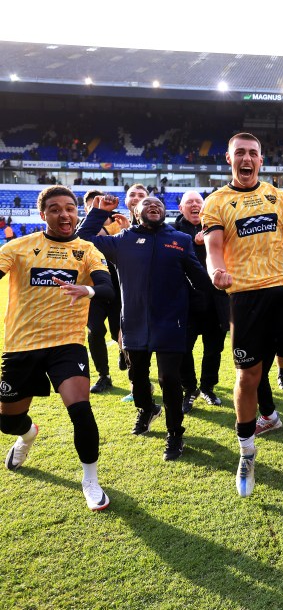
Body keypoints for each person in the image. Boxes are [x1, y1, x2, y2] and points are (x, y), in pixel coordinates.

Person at [202, 132, 283, 497]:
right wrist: (216, 270)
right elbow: (214, 246)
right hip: (245, 295)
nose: (247, 159)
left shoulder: (279, 195)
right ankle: (246, 451)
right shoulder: (216, 201)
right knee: (249, 375)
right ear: (229, 159)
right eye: (240, 153)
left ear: (261, 160)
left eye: (253, 154)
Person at [0, 185, 114, 510]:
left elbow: (106, 288)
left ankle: (90, 480)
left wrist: (87, 290)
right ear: (43, 214)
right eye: (55, 209)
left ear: (77, 212)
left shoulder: (87, 249)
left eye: (70, 208)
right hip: (22, 346)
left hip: (67, 343)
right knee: (8, 422)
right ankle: (28, 434)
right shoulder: (20, 247)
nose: (64, 214)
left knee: (81, 410)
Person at [79, 195, 211, 461]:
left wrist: (201, 306)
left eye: (159, 205)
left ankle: (175, 434)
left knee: (169, 380)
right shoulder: (122, 241)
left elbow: (201, 280)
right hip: (134, 322)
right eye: (147, 204)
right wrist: (98, 211)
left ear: (164, 213)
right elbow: (83, 238)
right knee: (137, 377)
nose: (154, 206)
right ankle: (147, 408)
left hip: (170, 324)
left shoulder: (180, 240)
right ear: (136, 212)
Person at [174, 190, 228, 413]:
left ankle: (208, 387)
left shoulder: (218, 227)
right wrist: (193, 242)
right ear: (181, 208)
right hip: (185, 304)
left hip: (216, 302)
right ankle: (189, 389)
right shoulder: (173, 232)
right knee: (184, 349)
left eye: (198, 201)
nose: (195, 205)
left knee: (214, 349)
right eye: (190, 202)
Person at [81, 190, 123, 394]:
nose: (95, 209)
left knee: (119, 332)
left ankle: (129, 361)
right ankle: (103, 376)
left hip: (118, 291)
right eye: (91, 206)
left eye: (98, 206)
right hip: (94, 292)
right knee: (95, 331)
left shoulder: (118, 226)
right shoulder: (80, 230)